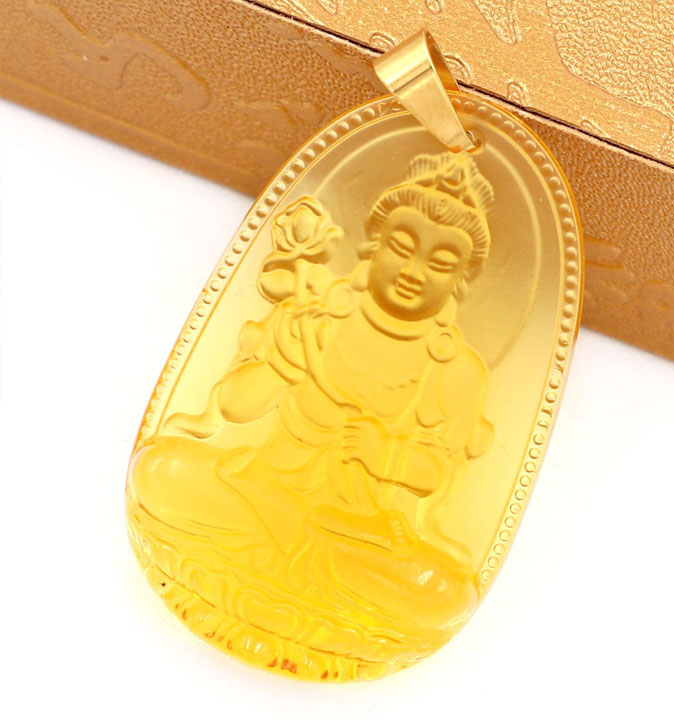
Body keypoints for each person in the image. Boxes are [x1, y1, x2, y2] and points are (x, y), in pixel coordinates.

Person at [127, 151, 495, 672]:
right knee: (159, 472)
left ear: (460, 280)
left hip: (356, 535)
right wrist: (283, 363)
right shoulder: (317, 318)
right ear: (372, 246)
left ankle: (268, 579)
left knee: (443, 596)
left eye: (439, 264)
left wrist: (384, 453)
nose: (414, 272)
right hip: (258, 493)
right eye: (400, 248)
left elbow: (438, 473)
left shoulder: (454, 369)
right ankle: (318, 610)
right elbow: (236, 406)